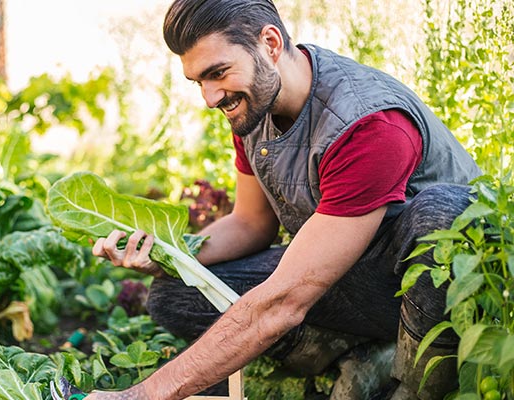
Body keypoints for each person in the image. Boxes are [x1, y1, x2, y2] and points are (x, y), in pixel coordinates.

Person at [86, 0, 482, 398]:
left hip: (426, 293)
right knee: (178, 292)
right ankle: (356, 353)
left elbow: (283, 302)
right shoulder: (253, 107)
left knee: (443, 214)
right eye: (198, 81)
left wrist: (141, 395)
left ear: (270, 44)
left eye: (217, 73)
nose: (209, 97)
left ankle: (418, 384)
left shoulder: (367, 126)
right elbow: (251, 224)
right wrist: (170, 254)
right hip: (346, 274)